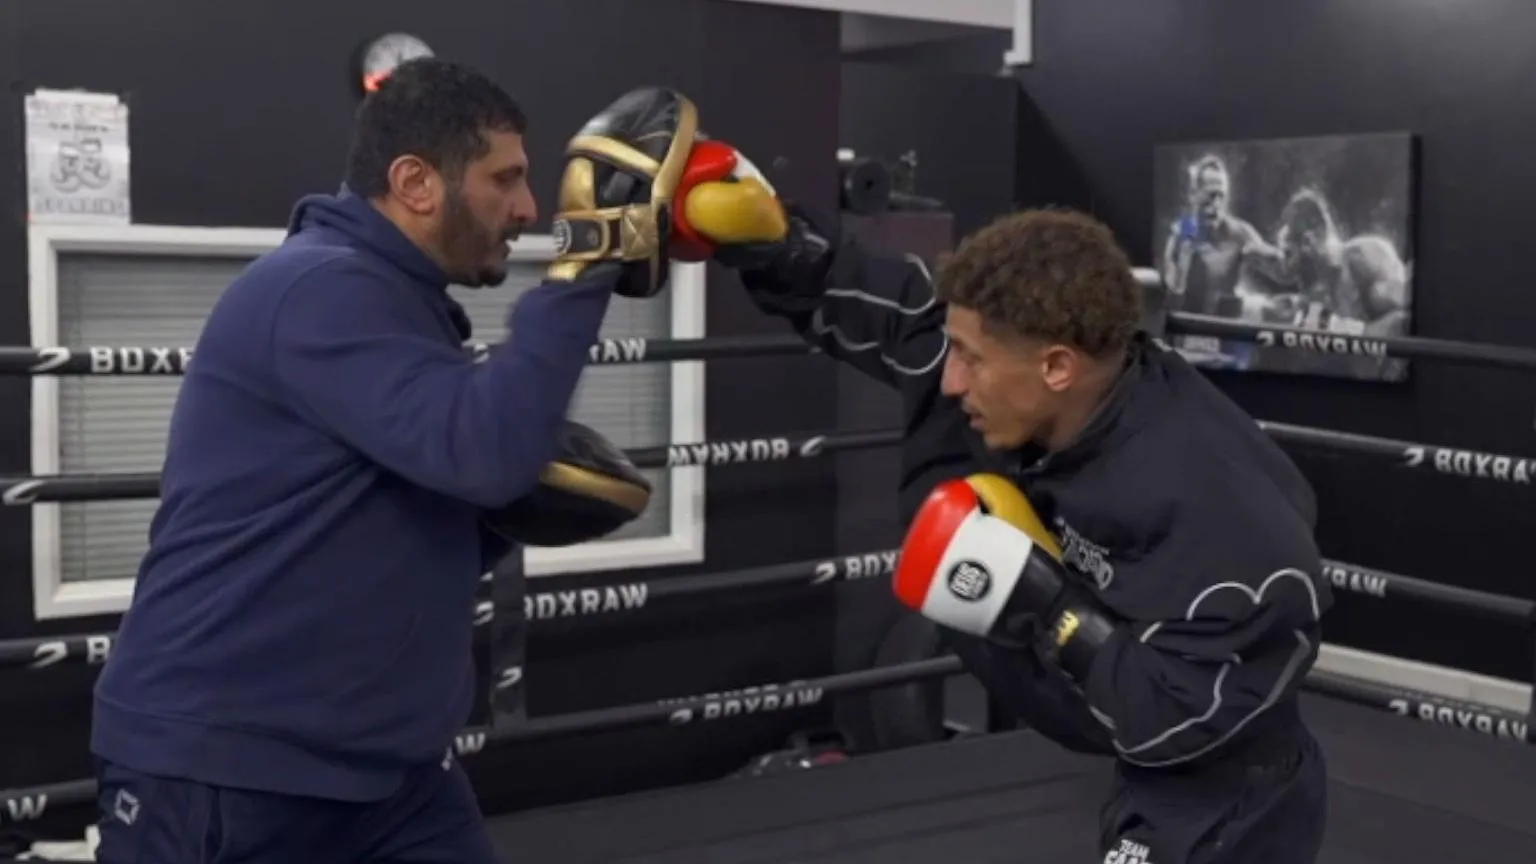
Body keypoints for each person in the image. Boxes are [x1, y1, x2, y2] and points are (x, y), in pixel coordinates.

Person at [90, 58, 697, 863]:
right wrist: (590, 256)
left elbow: (406, 501)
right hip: (230, 764)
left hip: (388, 770)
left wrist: (497, 521)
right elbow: (481, 453)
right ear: (416, 182)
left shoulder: (400, 307)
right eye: (505, 180)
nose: (526, 208)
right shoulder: (317, 288)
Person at [698, 200, 1334, 863]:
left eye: (970, 359)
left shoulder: (1217, 512)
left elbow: (1183, 718)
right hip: (1138, 766)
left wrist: (1051, 608)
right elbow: (896, 310)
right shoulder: (1024, 374)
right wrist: (774, 247)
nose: (949, 379)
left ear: (1057, 367)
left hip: (1223, 792)